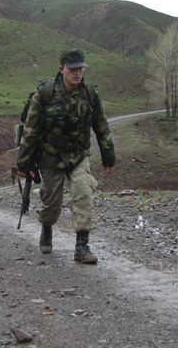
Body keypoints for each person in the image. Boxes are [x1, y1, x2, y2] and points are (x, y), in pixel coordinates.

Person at [16, 49, 115, 264]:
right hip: (50, 157)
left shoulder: (90, 93)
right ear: (61, 69)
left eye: (81, 69)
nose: (77, 73)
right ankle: (47, 228)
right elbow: (30, 130)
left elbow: (101, 125)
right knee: (51, 202)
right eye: (73, 69)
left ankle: (82, 247)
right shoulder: (45, 94)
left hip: (78, 156)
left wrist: (109, 156)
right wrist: (23, 162)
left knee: (83, 193)